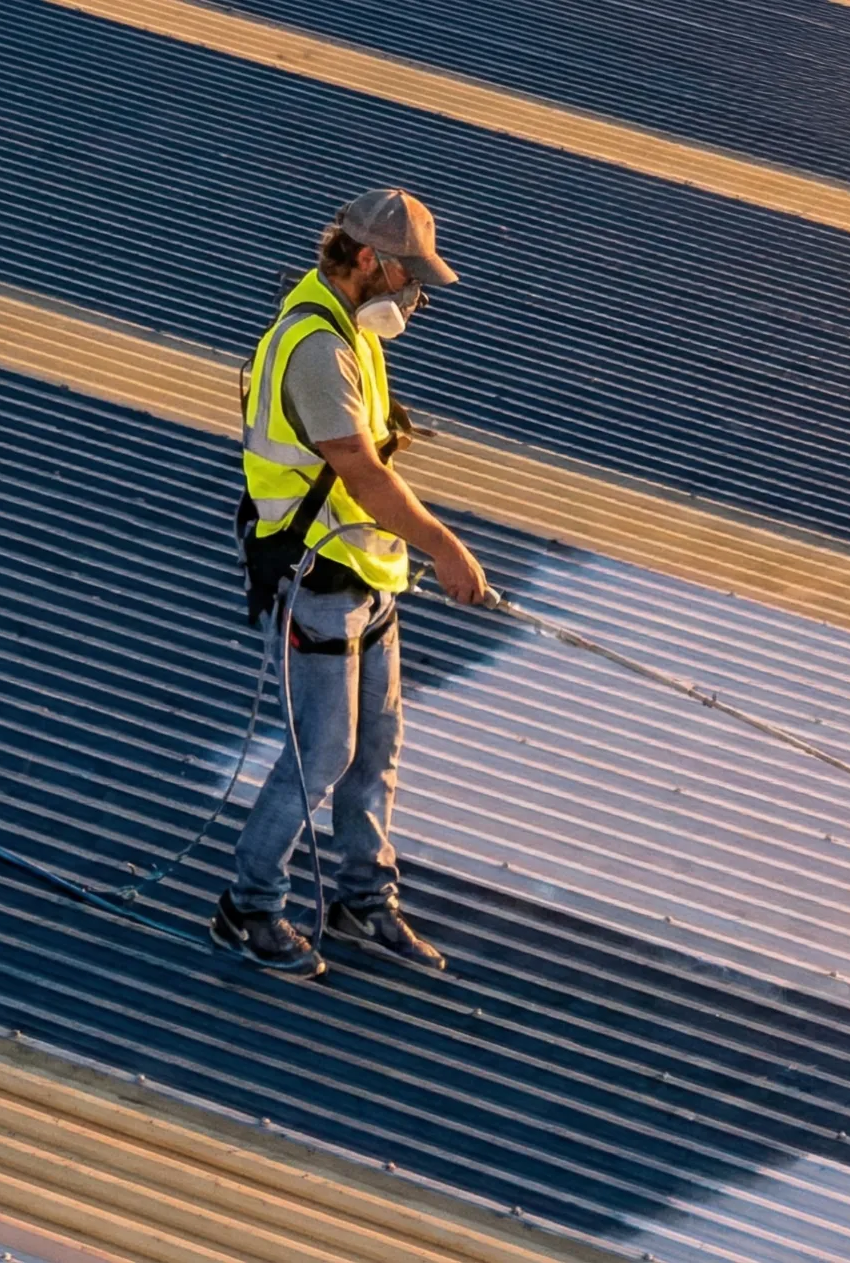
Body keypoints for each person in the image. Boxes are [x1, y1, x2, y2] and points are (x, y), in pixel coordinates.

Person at [214, 188, 488, 979]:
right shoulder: (317, 348)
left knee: (377, 746)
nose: (416, 298)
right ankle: (249, 906)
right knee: (322, 751)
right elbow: (361, 474)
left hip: (366, 572)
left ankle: (364, 898)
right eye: (410, 279)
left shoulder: (349, 330)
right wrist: (444, 545)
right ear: (368, 260)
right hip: (316, 579)